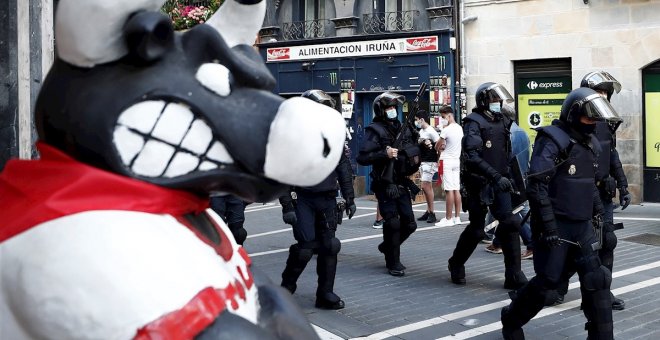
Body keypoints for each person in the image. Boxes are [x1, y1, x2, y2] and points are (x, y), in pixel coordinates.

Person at [501, 87, 617, 340]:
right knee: (547, 284)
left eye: (595, 118)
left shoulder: (589, 143)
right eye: (588, 117)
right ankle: (510, 320)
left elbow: (588, 184)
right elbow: (537, 184)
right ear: (574, 114)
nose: (593, 123)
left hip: (582, 226)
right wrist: (549, 227)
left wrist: (602, 219)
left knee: (597, 281)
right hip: (557, 227)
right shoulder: (552, 140)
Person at [548, 71, 632, 310]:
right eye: (599, 92)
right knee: (581, 246)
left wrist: (623, 184)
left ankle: (601, 293)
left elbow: (611, 155)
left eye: (606, 93)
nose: (603, 97)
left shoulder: (606, 122)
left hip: (603, 195)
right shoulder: (577, 122)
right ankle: (558, 286)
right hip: (582, 194)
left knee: (607, 242)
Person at [279, 89, 357, 310]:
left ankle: (325, 293)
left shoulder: (332, 136)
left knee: (330, 246)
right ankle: (286, 286)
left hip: (327, 199)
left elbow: (343, 167)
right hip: (302, 198)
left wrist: (349, 197)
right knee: (305, 247)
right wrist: (287, 206)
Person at [447, 82, 528, 289]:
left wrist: (510, 177)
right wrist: (494, 176)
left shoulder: (503, 121)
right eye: (493, 100)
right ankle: (456, 263)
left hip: (500, 181)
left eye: (499, 100)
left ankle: (514, 274)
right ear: (484, 101)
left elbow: (506, 154)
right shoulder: (473, 122)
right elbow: (472, 156)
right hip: (479, 183)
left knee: (510, 224)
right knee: (476, 230)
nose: (497, 104)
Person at [357, 92, 420, 277]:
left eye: (394, 107)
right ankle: (393, 261)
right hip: (385, 183)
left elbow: (410, 150)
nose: (392, 111)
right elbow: (362, 157)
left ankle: (387, 246)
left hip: (402, 182)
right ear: (381, 110)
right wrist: (384, 154)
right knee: (392, 222)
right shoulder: (375, 130)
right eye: (388, 108)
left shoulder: (403, 128)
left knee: (409, 224)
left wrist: (422, 146)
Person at [485, 105, 533, 259]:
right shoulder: (523, 132)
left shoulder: (506, 133)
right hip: (522, 176)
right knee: (510, 212)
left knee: (513, 213)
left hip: (510, 177)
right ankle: (498, 242)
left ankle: (531, 244)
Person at [435, 105, 463, 227]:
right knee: (456, 189)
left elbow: (438, 145)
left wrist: (439, 148)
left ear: (449, 115)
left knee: (448, 190)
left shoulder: (446, 130)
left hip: (446, 160)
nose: (442, 119)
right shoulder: (459, 128)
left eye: (443, 117)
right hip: (456, 160)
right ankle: (457, 217)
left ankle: (448, 218)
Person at [414, 110, 440, 223]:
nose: (416, 122)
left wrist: (438, 160)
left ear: (421, 119)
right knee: (427, 186)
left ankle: (432, 212)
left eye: (416, 120)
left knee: (425, 186)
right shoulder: (422, 131)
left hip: (430, 162)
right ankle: (429, 211)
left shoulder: (431, 131)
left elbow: (439, 145)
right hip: (423, 161)